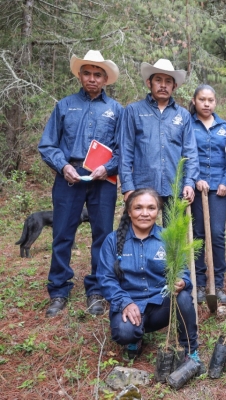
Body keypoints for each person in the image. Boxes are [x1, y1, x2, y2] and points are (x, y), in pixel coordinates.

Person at [38, 50, 123, 318]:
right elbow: (47, 144)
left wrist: (107, 167)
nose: (92, 79)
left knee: (103, 235)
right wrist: (63, 166)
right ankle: (59, 290)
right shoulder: (64, 106)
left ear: (106, 79)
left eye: (98, 74)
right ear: (80, 75)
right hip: (69, 177)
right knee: (62, 233)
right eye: (87, 73)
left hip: (103, 179)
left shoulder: (116, 110)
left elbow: (123, 149)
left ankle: (97, 289)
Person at [97, 188, 201, 365]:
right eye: (138, 208)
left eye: (151, 208)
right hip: (130, 304)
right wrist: (125, 302)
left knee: (183, 297)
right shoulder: (112, 241)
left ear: (158, 211)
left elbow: (183, 270)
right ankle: (134, 338)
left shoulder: (168, 238)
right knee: (123, 332)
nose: (145, 213)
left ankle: (190, 349)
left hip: (161, 304)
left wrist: (182, 281)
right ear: (129, 212)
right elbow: (106, 278)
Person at [119, 59, 198, 211]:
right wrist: (128, 186)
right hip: (142, 187)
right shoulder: (133, 111)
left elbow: (190, 152)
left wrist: (189, 182)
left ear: (174, 86)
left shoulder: (183, 115)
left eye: (168, 81)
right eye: (158, 80)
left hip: (175, 187)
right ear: (149, 83)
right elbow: (125, 151)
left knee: (173, 234)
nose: (163, 85)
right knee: (143, 232)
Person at [189, 85, 226, 305]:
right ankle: (198, 282)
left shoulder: (225, 126)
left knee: (216, 234)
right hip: (197, 189)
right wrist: (195, 178)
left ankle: (218, 283)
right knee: (198, 234)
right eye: (202, 99)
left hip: (219, 190)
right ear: (195, 100)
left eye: (210, 100)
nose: (206, 103)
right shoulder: (188, 124)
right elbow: (187, 154)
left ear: (216, 102)